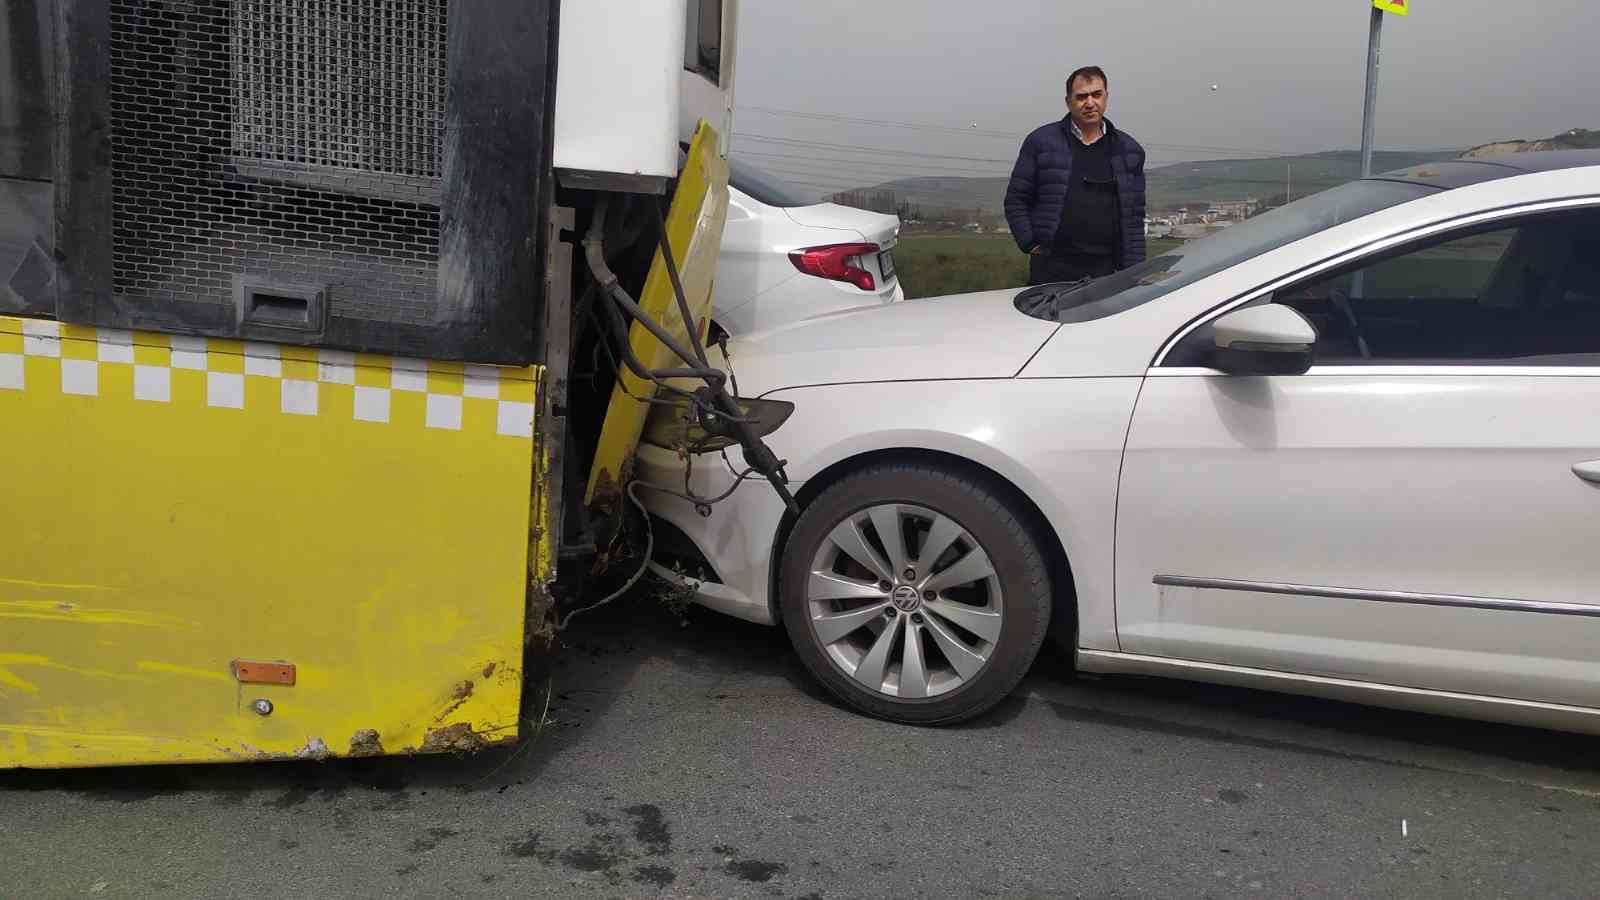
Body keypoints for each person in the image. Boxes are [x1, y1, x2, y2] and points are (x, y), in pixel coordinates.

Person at [1004, 66, 1147, 286]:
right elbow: (1016, 199)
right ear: (1068, 101)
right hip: (1051, 267)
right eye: (1081, 97)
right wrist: (1029, 242)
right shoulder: (1041, 142)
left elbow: (1134, 216)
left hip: (1107, 270)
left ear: (1106, 97)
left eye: (1096, 94)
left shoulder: (1129, 150)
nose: (1090, 103)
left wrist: (1135, 270)